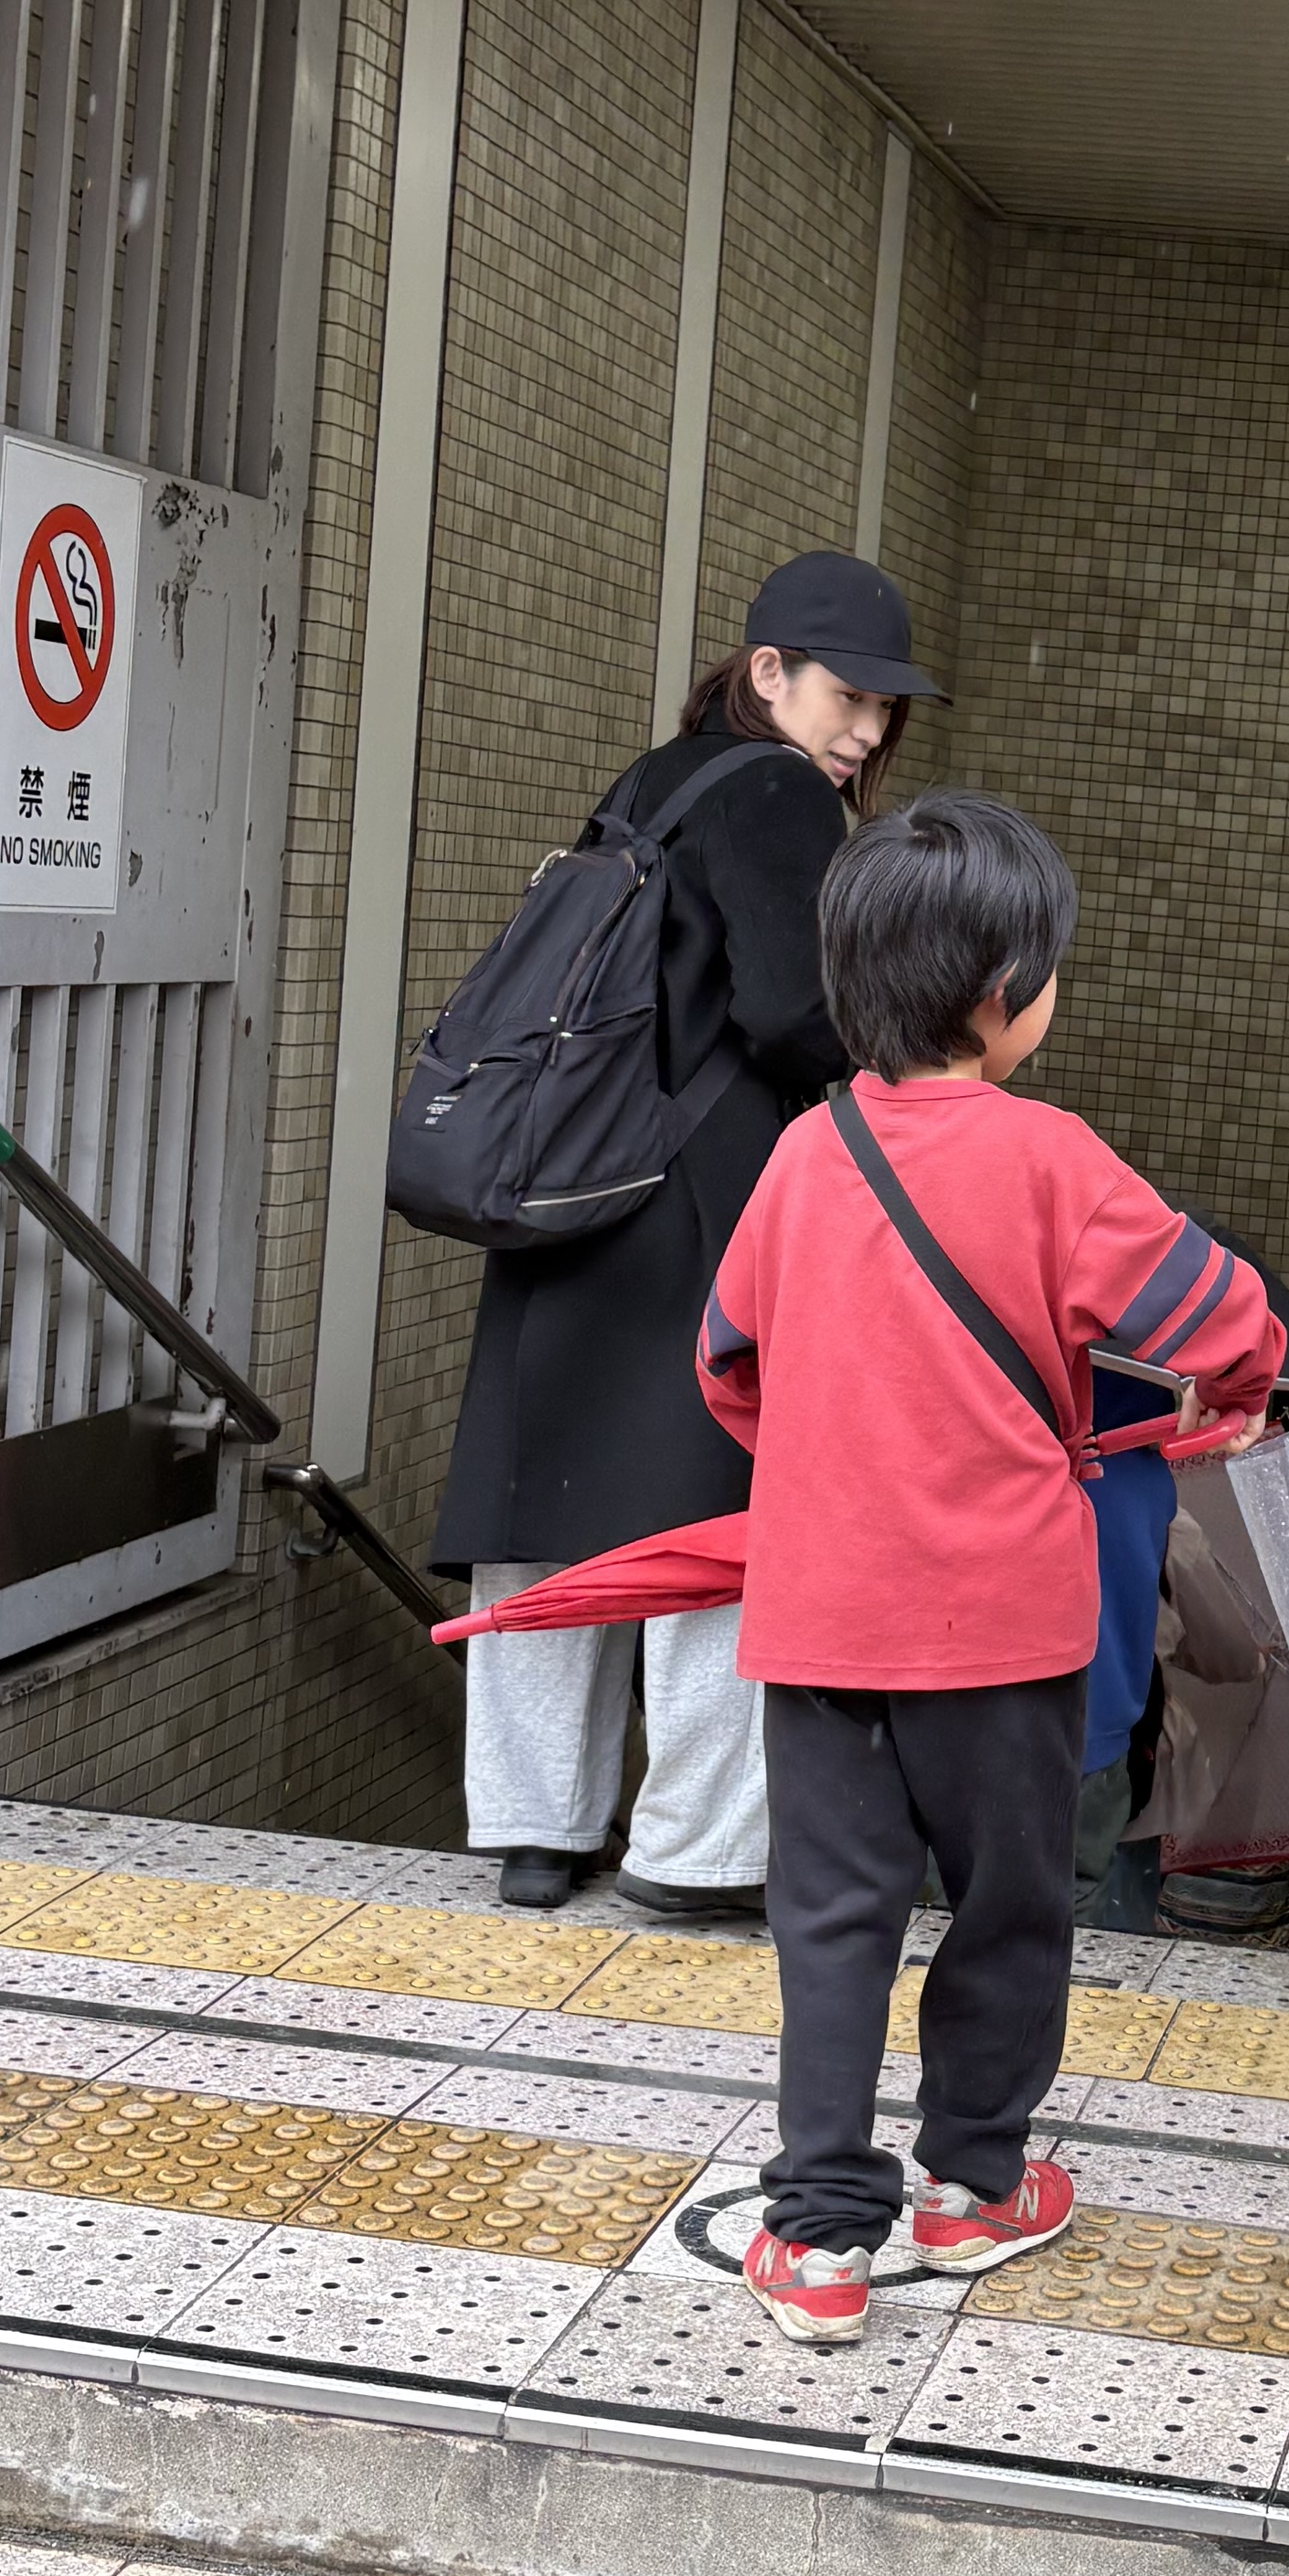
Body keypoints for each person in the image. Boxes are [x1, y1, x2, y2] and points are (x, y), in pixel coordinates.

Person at [697, 793, 1284, 2342]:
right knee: (1008, 1907)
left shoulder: (800, 1157)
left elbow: (728, 1364)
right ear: (1003, 998)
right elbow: (1229, 1324)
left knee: (826, 1917)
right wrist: (1215, 1398)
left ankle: (819, 2239)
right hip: (1003, 1631)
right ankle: (970, 2184)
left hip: (820, 1618)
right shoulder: (1050, 1160)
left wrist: (840, 1461)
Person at [437, 551, 935, 1921]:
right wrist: (905, 1039)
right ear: (768, 674)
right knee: (715, 1516)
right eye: (850, 695)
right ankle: (697, 1852)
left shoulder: (650, 782)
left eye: (888, 709)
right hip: (704, 1204)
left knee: (554, 1514)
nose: (868, 732)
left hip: (572, 1184)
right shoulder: (778, 793)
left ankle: (538, 1832)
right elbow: (786, 1011)